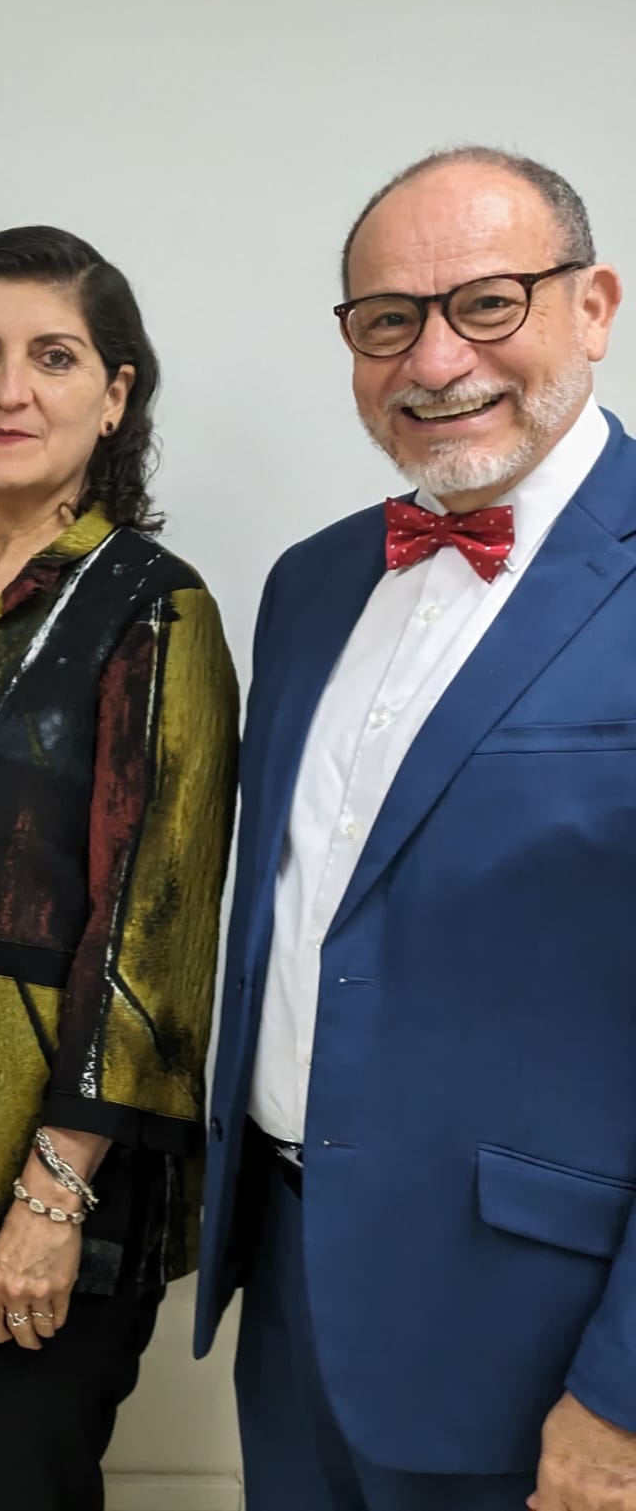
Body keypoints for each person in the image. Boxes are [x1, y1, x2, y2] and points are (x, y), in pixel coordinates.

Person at [195, 147, 636, 1511]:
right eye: (390, 319)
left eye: (489, 303)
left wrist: (625, 1398)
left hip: (541, 1342)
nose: (436, 359)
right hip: (293, 1295)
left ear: (595, 306)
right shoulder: (313, 582)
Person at [0, 227, 239, 1511]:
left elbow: (154, 935)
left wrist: (54, 1190)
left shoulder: (151, 605)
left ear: (114, 394)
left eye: (51, 357)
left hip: (35, 1176)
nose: (8, 390)